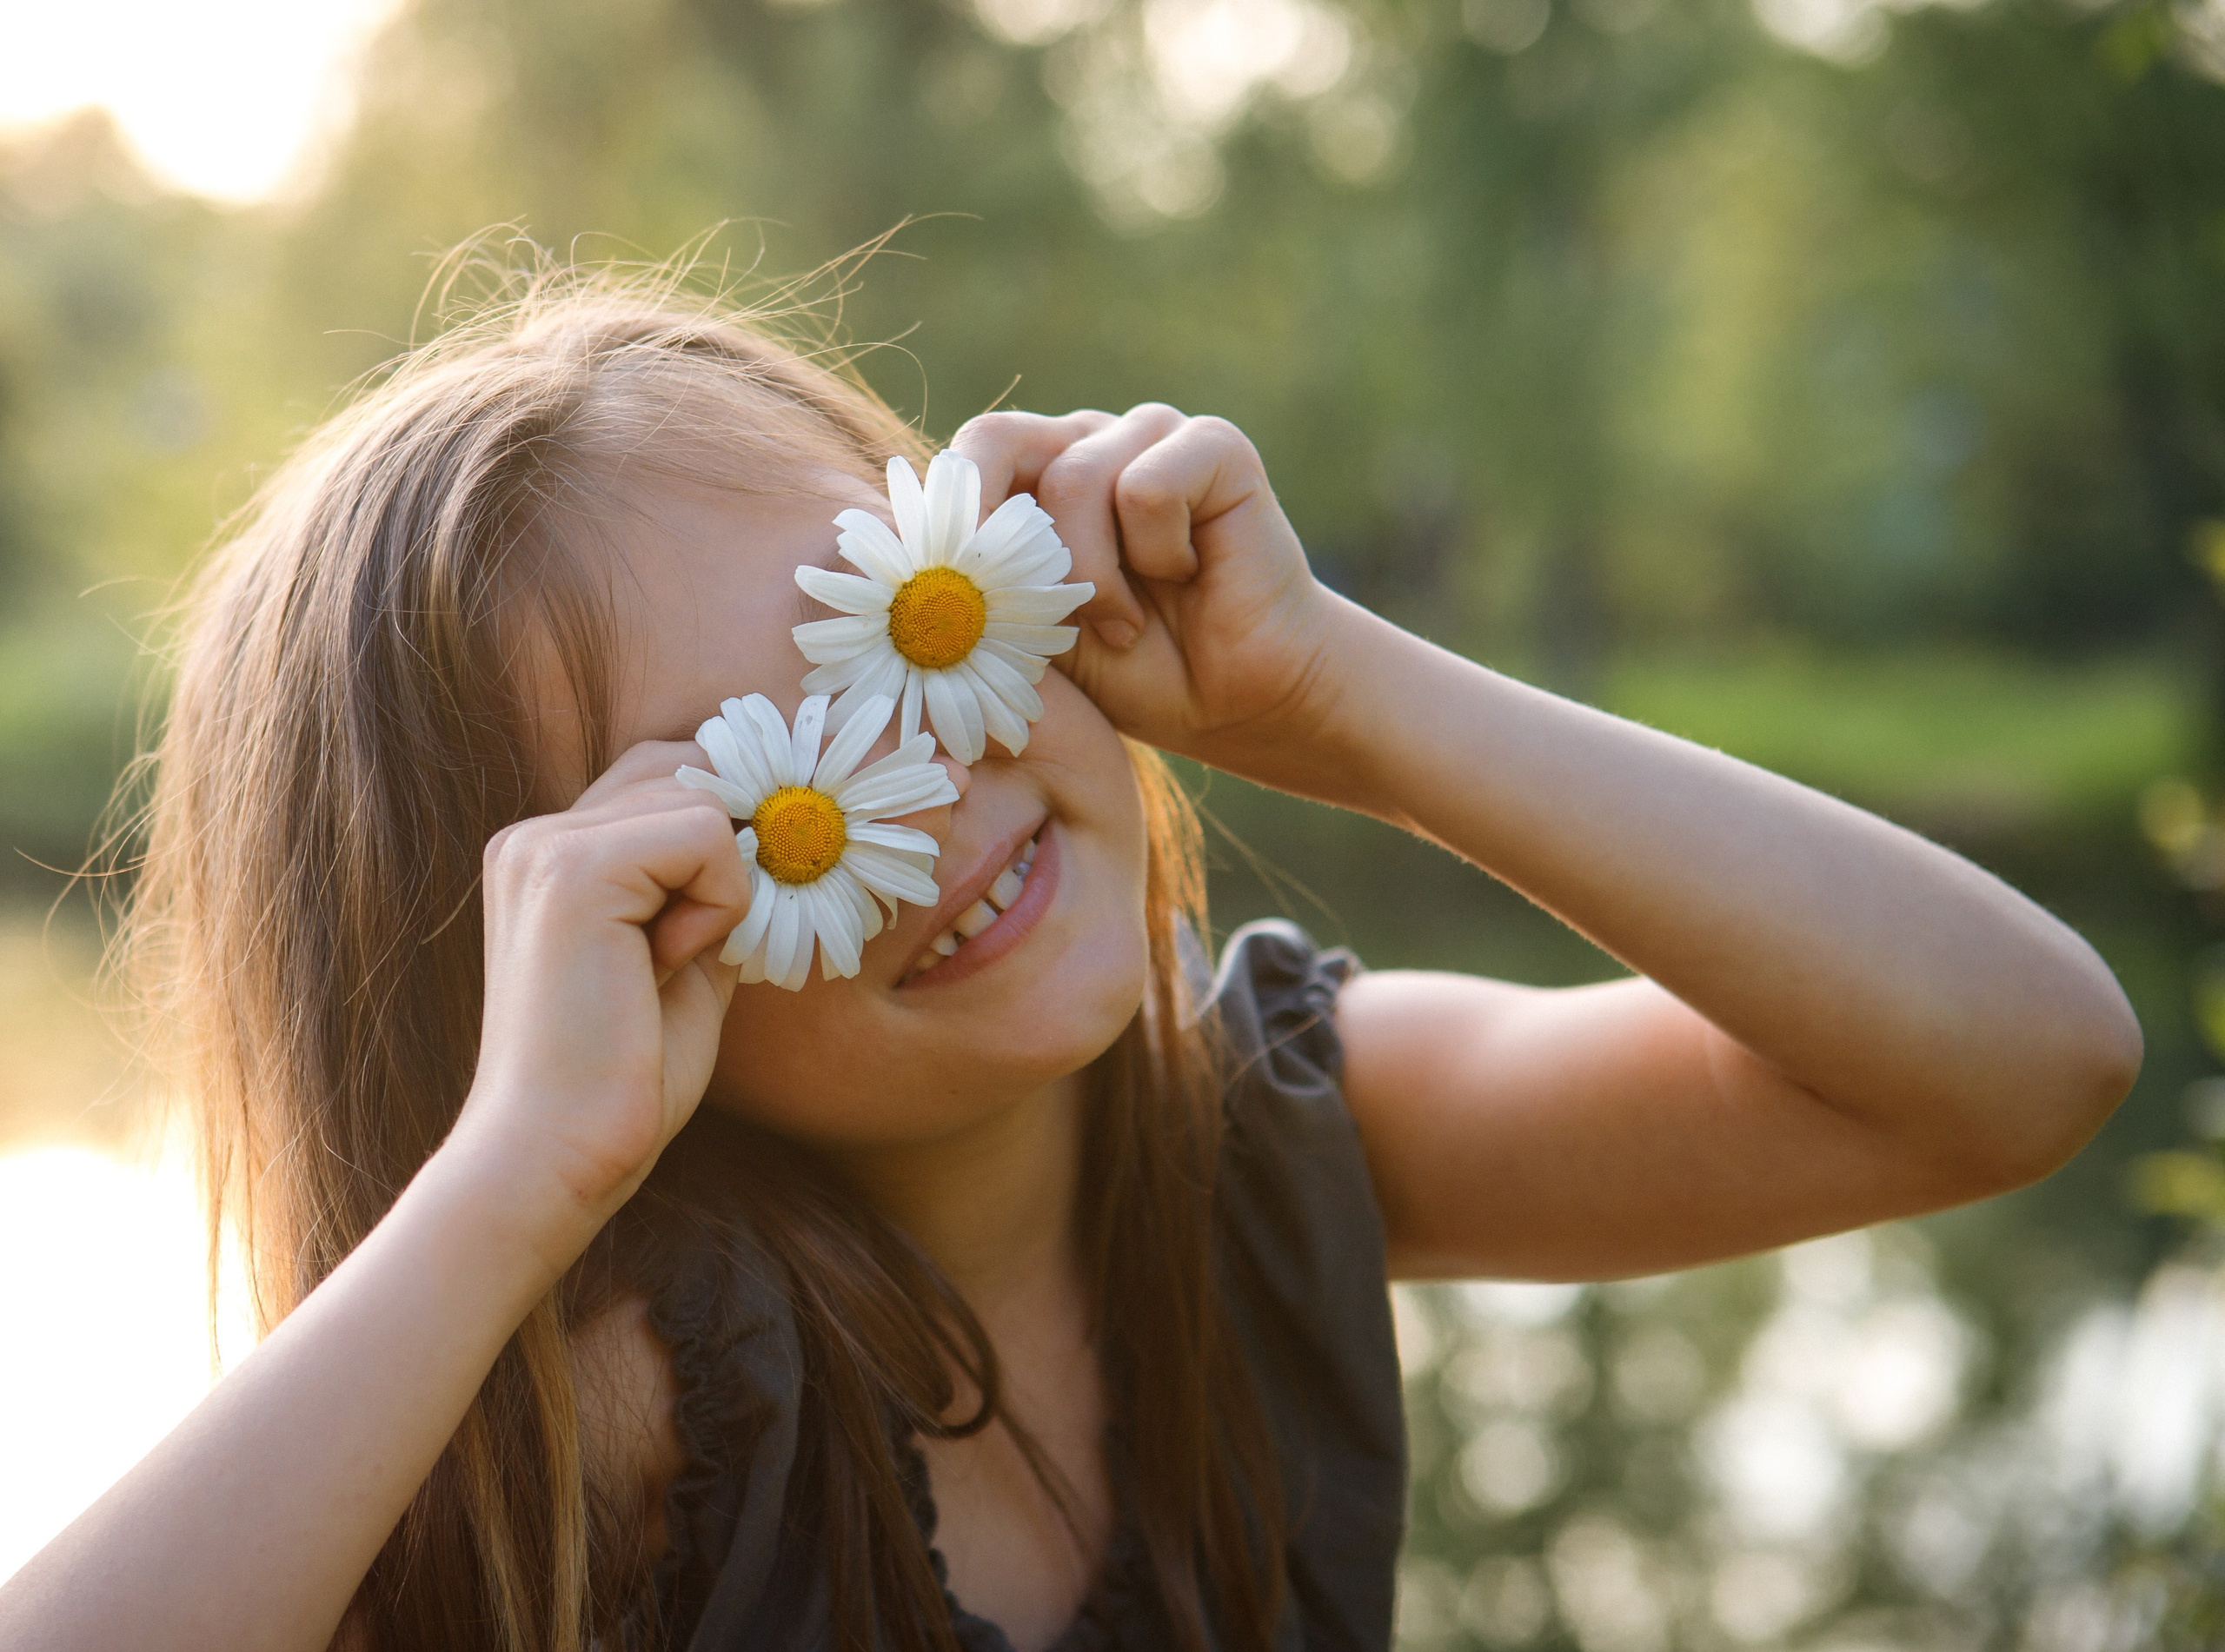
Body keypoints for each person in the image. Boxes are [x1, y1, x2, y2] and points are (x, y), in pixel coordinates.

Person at [0, 267, 2141, 1652]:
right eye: (758, 804)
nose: (919, 800)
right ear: (546, 961)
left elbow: (2018, 1062)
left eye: (918, 621)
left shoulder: (1280, 1138)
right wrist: (509, 1183)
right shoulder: (640, 1405)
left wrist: (1342, 700)